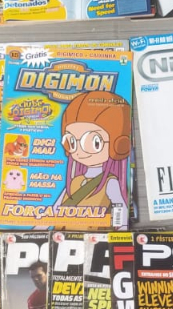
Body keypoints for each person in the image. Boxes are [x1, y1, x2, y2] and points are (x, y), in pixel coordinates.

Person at [55, 91, 131, 227]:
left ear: (118, 145)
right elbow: (53, 211)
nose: (80, 151)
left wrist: (120, 232)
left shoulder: (110, 183)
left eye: (94, 142)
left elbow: (120, 211)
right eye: (72, 141)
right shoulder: (75, 182)